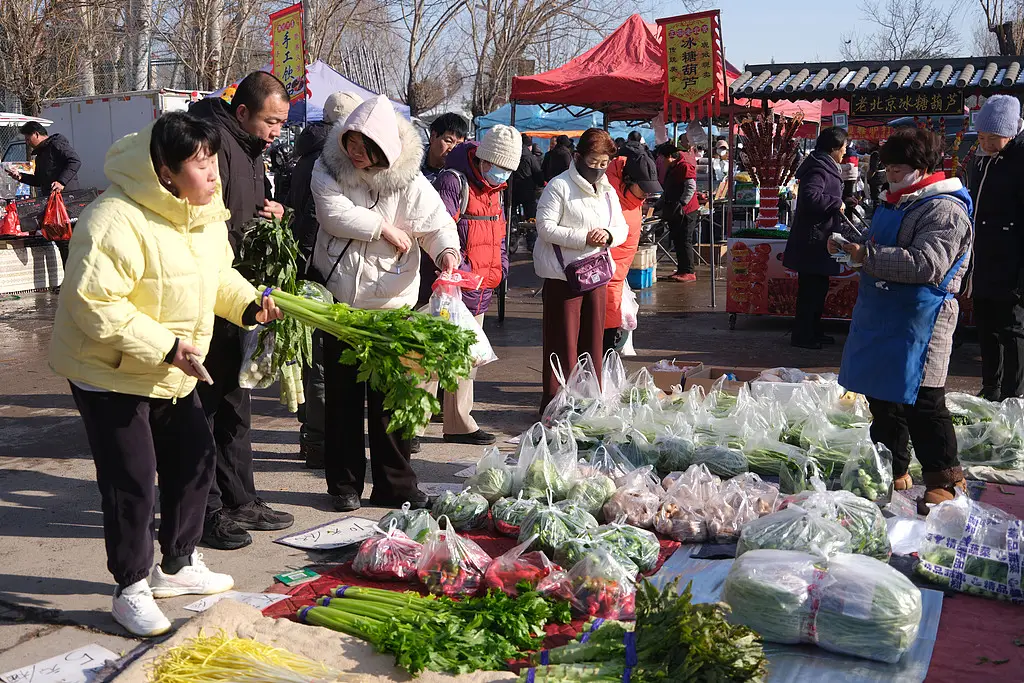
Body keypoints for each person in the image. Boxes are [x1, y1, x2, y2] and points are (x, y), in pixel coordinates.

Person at [48, 112, 283, 636]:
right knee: (132, 479)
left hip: (173, 366)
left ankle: (176, 565)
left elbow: (216, 275)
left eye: (213, 162)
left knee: (194, 460)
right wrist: (166, 346)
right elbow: (93, 305)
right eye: (200, 165)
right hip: (108, 369)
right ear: (164, 170)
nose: (214, 175)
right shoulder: (112, 218)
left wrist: (250, 304)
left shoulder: (201, 213)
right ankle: (129, 587)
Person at [311, 95, 460, 512]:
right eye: (353, 145)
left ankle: (395, 485)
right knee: (341, 401)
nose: (357, 156)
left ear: (388, 153)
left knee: (391, 401)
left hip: (393, 306)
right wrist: (385, 229)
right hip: (341, 305)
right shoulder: (329, 168)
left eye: (368, 151)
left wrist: (447, 253)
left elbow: (437, 226)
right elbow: (332, 214)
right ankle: (343, 485)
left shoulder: (410, 181)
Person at [833, 127, 971, 506]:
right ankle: (893, 468)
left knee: (924, 400)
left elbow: (927, 264)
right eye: (888, 168)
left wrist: (868, 256)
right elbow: (878, 246)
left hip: (923, 318)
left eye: (898, 169)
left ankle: (946, 479)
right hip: (883, 312)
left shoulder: (944, 208)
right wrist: (849, 248)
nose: (891, 175)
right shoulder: (894, 202)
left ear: (922, 167)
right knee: (882, 396)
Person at [189, 72, 294, 550]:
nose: (276, 130)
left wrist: (269, 214)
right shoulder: (212, 145)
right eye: (271, 121)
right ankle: (206, 510)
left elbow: (236, 217)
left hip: (239, 292)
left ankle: (240, 498)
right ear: (243, 113)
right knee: (205, 408)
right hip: (208, 294)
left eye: (281, 122)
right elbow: (210, 222)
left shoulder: (251, 150)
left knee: (236, 399)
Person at [286, 91, 364, 470]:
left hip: (303, 264)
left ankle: (312, 437)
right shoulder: (330, 164)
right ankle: (321, 440)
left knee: (312, 357)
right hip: (325, 266)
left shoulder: (301, 158)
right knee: (324, 359)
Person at [431, 125, 521, 445]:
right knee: (432, 357)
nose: (503, 175)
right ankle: (411, 425)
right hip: (453, 287)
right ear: (484, 159)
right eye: (500, 167)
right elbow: (438, 230)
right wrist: (462, 271)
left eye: (509, 170)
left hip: (482, 284)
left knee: (467, 357)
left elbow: (498, 234)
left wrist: (501, 268)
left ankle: (458, 422)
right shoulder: (453, 182)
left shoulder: (495, 188)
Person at [535, 128, 628, 411]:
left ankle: (590, 402)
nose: (599, 169)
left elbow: (621, 227)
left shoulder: (609, 190)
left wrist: (609, 235)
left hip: (597, 274)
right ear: (578, 157)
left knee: (593, 341)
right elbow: (545, 227)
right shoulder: (559, 186)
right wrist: (583, 237)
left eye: (604, 164)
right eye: (593, 162)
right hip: (563, 276)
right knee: (562, 343)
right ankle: (555, 406)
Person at [968, 94, 1024, 402]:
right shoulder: (981, 158)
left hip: (1011, 258)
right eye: (981, 137)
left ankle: (1014, 394)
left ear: (1011, 132)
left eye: (992, 137)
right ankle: (991, 386)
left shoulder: (1020, 158)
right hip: (984, 255)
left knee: (1012, 327)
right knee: (986, 323)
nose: (985, 143)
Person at [784, 126, 847, 350]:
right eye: (843, 148)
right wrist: (836, 203)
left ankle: (814, 329)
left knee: (818, 288)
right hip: (812, 240)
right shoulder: (818, 169)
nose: (844, 153)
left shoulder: (825, 166)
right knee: (810, 291)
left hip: (821, 238)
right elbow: (811, 198)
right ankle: (803, 335)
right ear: (833, 148)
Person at [604, 150, 661, 351]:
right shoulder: (608, 195)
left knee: (610, 336)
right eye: (643, 188)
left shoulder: (632, 198)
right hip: (605, 275)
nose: (647, 194)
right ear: (627, 180)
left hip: (618, 275)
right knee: (604, 336)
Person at [5, 121, 82, 265]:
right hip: (53, 204)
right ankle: (69, 281)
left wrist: (61, 182)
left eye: (28, 139)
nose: (27, 142)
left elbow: (75, 161)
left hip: (67, 203)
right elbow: (40, 180)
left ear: (37, 134)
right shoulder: (40, 154)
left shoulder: (56, 144)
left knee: (69, 243)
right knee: (62, 242)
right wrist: (20, 176)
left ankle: (75, 281)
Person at [659, 142, 700, 283]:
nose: (661, 162)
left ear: (670, 156)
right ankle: (682, 269)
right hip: (675, 210)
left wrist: (682, 203)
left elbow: (690, 187)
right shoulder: (673, 166)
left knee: (684, 240)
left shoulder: (684, 165)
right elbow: (668, 189)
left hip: (686, 211)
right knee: (677, 240)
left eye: (663, 159)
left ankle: (689, 271)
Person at [422, 113, 469, 183]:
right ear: (432, 137)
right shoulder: (409, 162)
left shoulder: (460, 174)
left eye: (458, 144)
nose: (452, 149)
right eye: (448, 141)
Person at [512, 132, 545, 221]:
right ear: (529, 146)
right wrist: (541, 183)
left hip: (512, 190)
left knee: (512, 212)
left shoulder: (512, 155)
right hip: (527, 190)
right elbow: (537, 172)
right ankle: (530, 232)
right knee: (530, 214)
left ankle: (512, 228)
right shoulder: (530, 157)